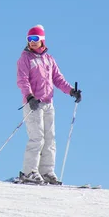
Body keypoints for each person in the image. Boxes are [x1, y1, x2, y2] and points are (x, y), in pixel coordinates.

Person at [16, 25, 82, 184]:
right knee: (36, 138)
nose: (32, 42)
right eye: (29, 39)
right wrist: (30, 97)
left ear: (42, 40)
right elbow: (22, 80)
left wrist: (71, 91)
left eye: (35, 39)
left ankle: (47, 172)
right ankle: (29, 171)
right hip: (33, 104)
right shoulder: (25, 58)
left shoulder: (49, 59)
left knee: (50, 138)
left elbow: (58, 79)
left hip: (47, 103)